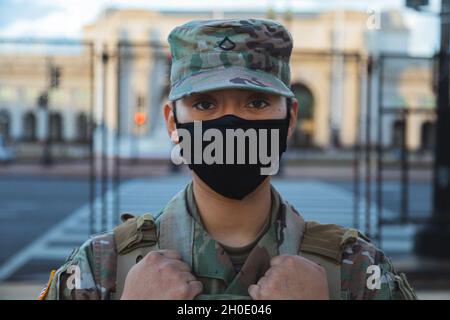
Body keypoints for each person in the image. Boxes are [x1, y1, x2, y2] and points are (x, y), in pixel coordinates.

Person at [39, 18, 416, 300]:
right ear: (173, 121)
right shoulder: (100, 267)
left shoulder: (358, 270)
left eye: (257, 102)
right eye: (205, 104)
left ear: (289, 120)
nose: (231, 123)